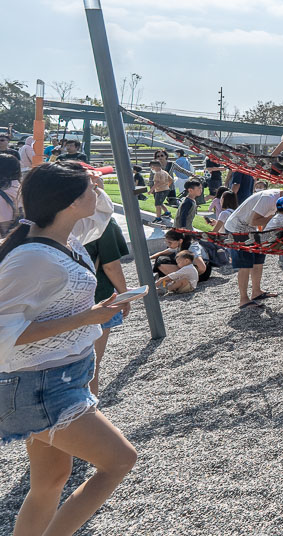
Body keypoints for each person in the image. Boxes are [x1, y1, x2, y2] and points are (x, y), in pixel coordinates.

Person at [0, 162, 138, 535]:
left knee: (49, 482)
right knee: (120, 460)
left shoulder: (64, 236)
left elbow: (100, 217)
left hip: (57, 377)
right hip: (41, 384)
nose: (97, 193)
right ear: (71, 202)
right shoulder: (33, 257)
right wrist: (87, 318)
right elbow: (2, 331)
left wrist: (93, 184)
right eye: (90, 190)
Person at [83, 219, 130, 395]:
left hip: (58, 303)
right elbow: (111, 266)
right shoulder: (100, 220)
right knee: (91, 363)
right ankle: (89, 412)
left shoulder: (48, 215)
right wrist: (124, 295)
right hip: (96, 297)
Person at [222, 186, 283, 309]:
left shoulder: (281, 200)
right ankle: (243, 299)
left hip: (252, 230)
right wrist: (275, 220)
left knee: (258, 260)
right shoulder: (269, 198)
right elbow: (254, 221)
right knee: (245, 264)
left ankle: (256, 292)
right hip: (237, 229)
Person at [0, 152, 21, 238]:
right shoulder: (23, 187)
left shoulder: (2, 193)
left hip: (6, 243)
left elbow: (5, 226)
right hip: (24, 239)